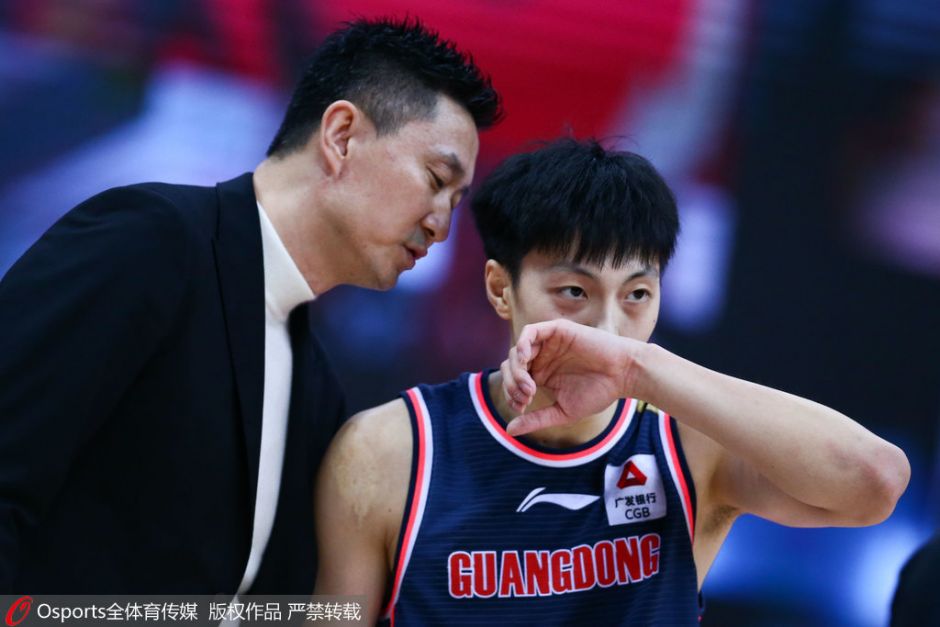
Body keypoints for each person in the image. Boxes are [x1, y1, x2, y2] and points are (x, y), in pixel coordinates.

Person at [313, 139, 910, 624]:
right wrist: (253, 609)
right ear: (500, 289)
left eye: (637, 295)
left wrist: (637, 369)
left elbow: (876, 482)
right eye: (574, 292)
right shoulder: (389, 448)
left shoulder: (691, 442)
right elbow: (332, 615)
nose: (607, 330)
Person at [0, 18, 499, 593]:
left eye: (456, 200)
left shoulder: (316, 387)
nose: (440, 225)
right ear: (341, 137)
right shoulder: (150, 243)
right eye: (436, 180)